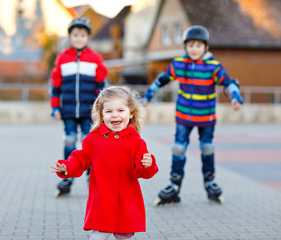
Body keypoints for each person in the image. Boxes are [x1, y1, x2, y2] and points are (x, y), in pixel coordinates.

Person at [142, 25, 243, 205]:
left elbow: (229, 83)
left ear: (206, 47)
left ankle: (210, 182)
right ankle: (174, 185)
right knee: (178, 149)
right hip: (183, 117)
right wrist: (146, 97)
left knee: (207, 148)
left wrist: (236, 98)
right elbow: (161, 80)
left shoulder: (213, 66)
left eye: (198, 45)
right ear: (185, 47)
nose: (194, 49)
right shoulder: (179, 64)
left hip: (206, 118)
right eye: (190, 45)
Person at [51, 86, 159, 240]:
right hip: (102, 199)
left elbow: (141, 172)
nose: (115, 115)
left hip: (126, 200)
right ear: (101, 114)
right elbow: (80, 160)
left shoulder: (136, 142)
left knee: (124, 235)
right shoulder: (93, 139)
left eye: (120, 110)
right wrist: (67, 167)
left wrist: (148, 164)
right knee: (99, 235)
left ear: (131, 112)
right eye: (109, 111)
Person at [50, 17, 108, 197]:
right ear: (70, 37)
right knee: (69, 141)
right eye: (75, 35)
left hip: (88, 111)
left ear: (88, 37)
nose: (78, 38)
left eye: (82, 35)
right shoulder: (63, 58)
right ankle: (67, 175)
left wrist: (101, 108)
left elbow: (102, 86)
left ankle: (93, 176)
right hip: (67, 109)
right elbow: (56, 85)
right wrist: (55, 107)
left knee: (88, 143)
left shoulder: (95, 58)